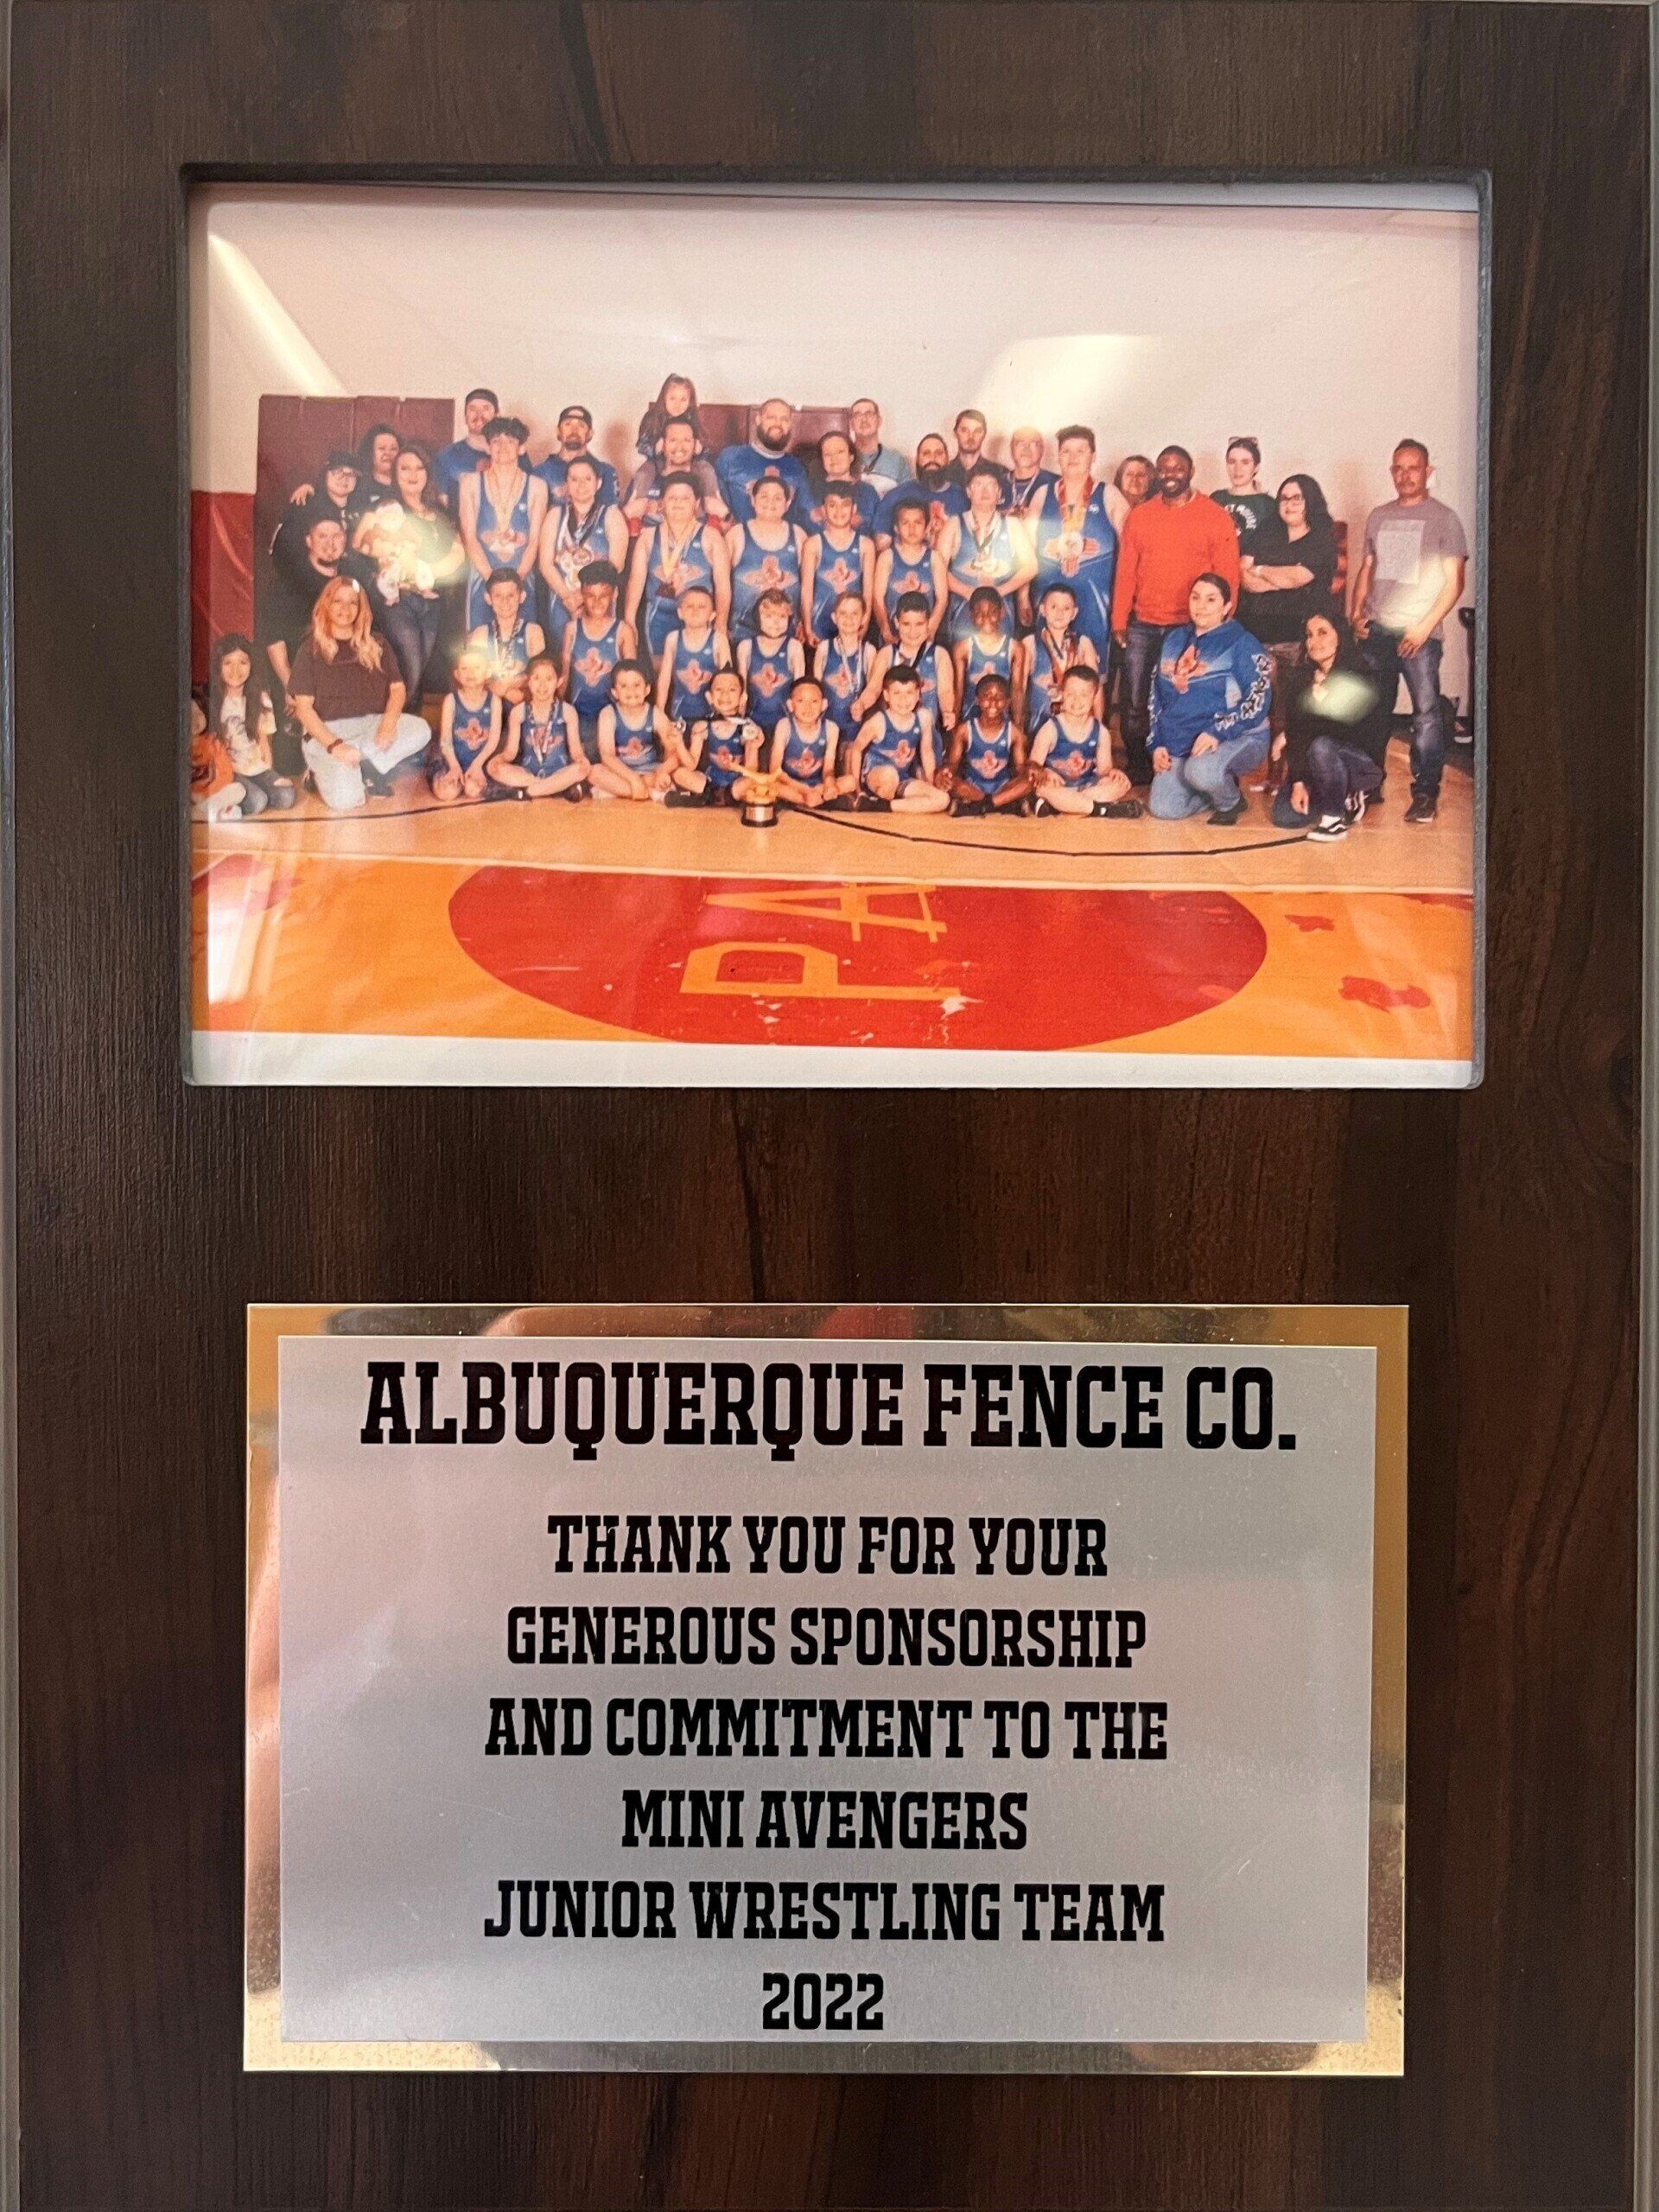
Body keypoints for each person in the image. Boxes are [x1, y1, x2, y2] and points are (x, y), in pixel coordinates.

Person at [1347, 439, 1468, 824]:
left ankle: (1426, 794)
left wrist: (1424, 627)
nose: (1405, 475)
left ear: (1428, 472)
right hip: (1378, 631)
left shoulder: (1445, 519)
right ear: (1391, 472)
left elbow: (1454, 582)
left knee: (1426, 716)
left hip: (1420, 636)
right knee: (1374, 713)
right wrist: (1356, 614)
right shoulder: (1378, 516)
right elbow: (1367, 568)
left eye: (1413, 468)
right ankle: (1370, 785)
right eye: (1398, 468)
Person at [1111, 445, 1240, 784]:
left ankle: (1180, 766)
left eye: (1178, 468)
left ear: (1191, 471)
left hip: (1190, 626)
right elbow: (1126, 571)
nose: (1170, 475)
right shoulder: (1140, 516)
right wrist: (1119, 619)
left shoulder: (1215, 516)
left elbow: (1228, 577)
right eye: (1164, 469)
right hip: (1143, 623)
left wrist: (1220, 627)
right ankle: (1139, 767)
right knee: (1136, 700)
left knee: (1183, 698)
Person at [289, 575, 432, 811]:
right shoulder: (310, 649)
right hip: (327, 733)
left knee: (420, 730)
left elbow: (397, 689)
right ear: (326, 605)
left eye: (352, 603)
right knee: (348, 802)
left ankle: (362, 764)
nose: (345, 609)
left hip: (370, 727)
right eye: (338, 601)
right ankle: (324, 771)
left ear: (360, 608)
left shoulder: (377, 644)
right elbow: (303, 710)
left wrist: (388, 724)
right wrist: (336, 747)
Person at [1147, 573, 1272, 825]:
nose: (1201, 605)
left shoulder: (1242, 642)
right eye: (1196, 597)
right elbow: (1156, 696)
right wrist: (1157, 743)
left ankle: (1230, 800)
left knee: (1200, 771)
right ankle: (1209, 790)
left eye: (1211, 599)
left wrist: (1218, 731)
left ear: (1226, 607)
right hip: (1185, 741)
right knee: (1163, 808)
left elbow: (1258, 698)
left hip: (1239, 736)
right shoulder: (1173, 640)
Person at [352, 442, 464, 698]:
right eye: (405, 468)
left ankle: (408, 721)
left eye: (419, 468)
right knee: (408, 670)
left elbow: (458, 555)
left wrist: (427, 570)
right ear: (395, 473)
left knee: (419, 674)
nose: (413, 475)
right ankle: (396, 720)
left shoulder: (439, 512)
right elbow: (360, 543)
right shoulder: (386, 508)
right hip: (398, 602)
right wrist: (393, 553)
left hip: (432, 603)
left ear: (428, 473)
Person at [1271, 611, 1390, 838]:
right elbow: (1298, 734)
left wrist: (1317, 709)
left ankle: (1334, 819)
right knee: (1286, 816)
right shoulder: (1301, 678)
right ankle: (1334, 795)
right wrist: (1298, 782)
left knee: (1322, 746)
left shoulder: (1359, 673)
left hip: (1358, 762)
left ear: (1340, 637)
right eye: (1309, 635)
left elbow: (1356, 733)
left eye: (1323, 633)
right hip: (1318, 760)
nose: (1314, 641)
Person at [1237, 473, 1338, 734]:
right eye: (1284, 498)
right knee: (1252, 707)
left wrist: (1261, 570)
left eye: (1297, 498)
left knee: (1287, 713)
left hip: (1297, 639)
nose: (1289, 504)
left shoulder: (1321, 539)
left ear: (1310, 502)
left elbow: (1298, 577)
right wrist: (1280, 578)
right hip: (1255, 635)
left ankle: (1282, 758)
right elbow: (1243, 575)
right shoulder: (1266, 531)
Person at [1027, 426, 1119, 655]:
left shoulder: (1109, 494)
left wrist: (1122, 606)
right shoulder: (1042, 494)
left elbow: (1131, 549)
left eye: (1081, 451)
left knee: (1091, 668)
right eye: (1066, 451)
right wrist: (1021, 598)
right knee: (1047, 666)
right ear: (1058, 457)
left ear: (1093, 456)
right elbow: (1025, 551)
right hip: (1047, 600)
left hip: (1095, 601)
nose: (1073, 457)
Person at [626, 472, 732, 662]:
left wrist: (721, 623)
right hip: (658, 617)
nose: (678, 503)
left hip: (699, 619)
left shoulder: (711, 537)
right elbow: (635, 581)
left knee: (695, 669)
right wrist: (629, 619)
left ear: (696, 504)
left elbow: (723, 586)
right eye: (672, 498)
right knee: (660, 672)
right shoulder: (648, 537)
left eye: (685, 498)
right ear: (662, 503)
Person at [458, 416, 546, 630]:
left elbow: (534, 541)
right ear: (488, 447)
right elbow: (469, 538)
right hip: (483, 575)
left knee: (524, 640)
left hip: (521, 577)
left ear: (521, 448)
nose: (503, 446)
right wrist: (493, 584)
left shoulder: (537, 486)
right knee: (480, 641)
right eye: (496, 441)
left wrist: (515, 585)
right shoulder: (471, 483)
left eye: (510, 441)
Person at [538, 453, 630, 652]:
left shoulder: (611, 515)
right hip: (562, 599)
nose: (581, 485)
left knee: (598, 655)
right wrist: (568, 597)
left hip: (599, 600)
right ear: (566, 485)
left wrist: (584, 598)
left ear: (598, 483)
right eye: (574, 479)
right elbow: (545, 564)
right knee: (562, 654)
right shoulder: (555, 515)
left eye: (587, 479)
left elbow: (616, 564)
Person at [261, 512, 354, 698]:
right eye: (322, 536)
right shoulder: (288, 582)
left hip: (341, 683)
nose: (330, 544)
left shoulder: (354, 576)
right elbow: (274, 640)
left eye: (336, 536)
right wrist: (292, 689)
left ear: (345, 539)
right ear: (309, 541)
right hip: (298, 684)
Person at [939, 462, 1035, 640]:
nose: (985, 490)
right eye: (978, 484)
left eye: (991, 485)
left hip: (1000, 607)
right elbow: (938, 569)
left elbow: (1031, 566)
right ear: (969, 491)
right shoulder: (953, 524)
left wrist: (1000, 591)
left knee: (1000, 652)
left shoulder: (1012, 525)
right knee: (964, 653)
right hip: (964, 606)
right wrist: (968, 592)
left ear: (999, 493)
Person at [1028, 664, 1136, 817]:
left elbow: (1104, 769)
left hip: (1086, 786)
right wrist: (1045, 772)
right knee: (1042, 787)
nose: (1076, 700)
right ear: (1062, 693)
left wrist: (1113, 773)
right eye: (1071, 694)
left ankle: (1067, 806)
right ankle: (1101, 810)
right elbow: (1033, 766)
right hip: (1057, 786)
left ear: (1094, 697)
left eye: (1084, 695)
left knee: (1120, 785)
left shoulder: (1101, 732)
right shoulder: (1050, 728)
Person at [210, 633, 295, 817]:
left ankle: (247, 794)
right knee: (257, 801)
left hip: (255, 767)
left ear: (251, 665)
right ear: (218, 666)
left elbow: (265, 743)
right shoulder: (214, 701)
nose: (236, 670)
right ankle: (230, 799)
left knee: (286, 796)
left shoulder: (260, 698)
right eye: (228, 663)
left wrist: (271, 775)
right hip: (229, 771)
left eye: (243, 662)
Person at [488, 652, 589, 803]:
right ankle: (555, 789)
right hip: (528, 774)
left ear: (559, 682)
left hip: (559, 773)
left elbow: (576, 751)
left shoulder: (568, 711)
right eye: (536, 678)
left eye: (549, 679)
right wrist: (499, 759)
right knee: (493, 767)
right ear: (528, 681)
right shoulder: (518, 712)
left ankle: (530, 791)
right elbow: (510, 752)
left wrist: (582, 760)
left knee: (582, 769)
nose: (542, 685)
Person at [847, 666, 950, 812]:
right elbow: (856, 749)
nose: (903, 699)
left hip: (902, 777)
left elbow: (927, 753)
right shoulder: (878, 721)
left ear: (918, 694)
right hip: (876, 775)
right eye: (897, 693)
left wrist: (931, 783)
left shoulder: (924, 717)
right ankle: (872, 799)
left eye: (909, 692)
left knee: (942, 799)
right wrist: (857, 789)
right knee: (890, 776)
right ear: (886, 695)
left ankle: (883, 806)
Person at [560, 560, 637, 751]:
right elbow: (564, 678)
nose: (596, 602)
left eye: (603, 596)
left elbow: (632, 680)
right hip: (578, 716)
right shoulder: (572, 630)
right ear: (582, 595)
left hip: (612, 719)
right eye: (590, 596)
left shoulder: (623, 631)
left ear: (615, 594)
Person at [857, 593, 956, 732]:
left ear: (928, 623)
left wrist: (947, 711)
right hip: (892, 734)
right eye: (906, 624)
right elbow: (873, 689)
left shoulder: (939, 654)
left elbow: (945, 691)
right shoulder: (886, 653)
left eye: (919, 624)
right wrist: (861, 704)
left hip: (926, 733)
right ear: (897, 623)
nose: (912, 631)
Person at [671, 666, 765, 808]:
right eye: (719, 689)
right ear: (710, 697)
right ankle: (716, 796)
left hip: (736, 784)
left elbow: (751, 770)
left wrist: (754, 747)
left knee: (753, 781)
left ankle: (712, 798)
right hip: (709, 782)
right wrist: (679, 743)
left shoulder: (748, 728)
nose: (725, 695)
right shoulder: (702, 726)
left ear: (742, 698)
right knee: (679, 773)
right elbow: (691, 765)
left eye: (732, 690)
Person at [590, 658, 683, 800]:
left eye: (637, 685)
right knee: (594, 772)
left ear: (647, 689)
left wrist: (662, 771)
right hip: (620, 773)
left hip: (650, 771)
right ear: (614, 692)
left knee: (669, 777)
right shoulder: (608, 714)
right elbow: (607, 756)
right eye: (624, 686)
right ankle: (648, 792)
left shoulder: (655, 714)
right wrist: (633, 778)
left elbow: (674, 752)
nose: (631, 691)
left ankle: (619, 792)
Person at [727, 475, 804, 636]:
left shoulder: (798, 535)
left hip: (786, 633)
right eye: (764, 497)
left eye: (777, 498)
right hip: (742, 631)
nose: (770, 502)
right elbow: (720, 583)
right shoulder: (736, 534)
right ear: (753, 500)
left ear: (788, 504)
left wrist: (804, 622)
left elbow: (809, 586)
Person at [1021, 579, 1100, 735]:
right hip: (1039, 723)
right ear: (1042, 609)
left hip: (1076, 724)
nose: (1060, 613)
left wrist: (1098, 727)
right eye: (1054, 607)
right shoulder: (1030, 643)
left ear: (1074, 613)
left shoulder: (1083, 644)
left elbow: (1097, 689)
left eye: (1066, 608)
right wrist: (1019, 726)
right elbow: (1020, 688)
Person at [945, 673, 1030, 815]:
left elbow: (1020, 767)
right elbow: (953, 765)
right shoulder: (965, 730)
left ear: (1007, 702)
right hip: (973, 787)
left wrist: (1030, 770)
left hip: (1002, 787)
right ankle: (999, 805)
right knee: (951, 783)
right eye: (987, 696)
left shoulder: (1013, 732)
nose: (993, 702)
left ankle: (978, 806)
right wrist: (946, 773)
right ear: (977, 700)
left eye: (999, 697)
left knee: (1028, 782)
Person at [715, 397, 810, 524]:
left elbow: (809, 515)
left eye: (784, 419)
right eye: (771, 418)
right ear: (758, 420)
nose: (778, 424)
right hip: (738, 534)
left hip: (785, 535)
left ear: (790, 425)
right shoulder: (730, 457)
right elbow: (714, 503)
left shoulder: (797, 467)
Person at [622, 418, 728, 530]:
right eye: (673, 440)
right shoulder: (645, 479)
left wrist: (725, 515)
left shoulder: (710, 481)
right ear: (662, 444)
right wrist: (626, 514)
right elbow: (619, 527)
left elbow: (730, 527)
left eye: (686, 440)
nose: (679, 447)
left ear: (696, 445)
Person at [801, 481, 874, 642]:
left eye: (845, 505)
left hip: (853, 623)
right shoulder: (813, 544)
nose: (839, 511)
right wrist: (808, 627)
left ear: (854, 509)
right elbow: (807, 590)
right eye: (832, 505)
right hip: (820, 622)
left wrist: (865, 624)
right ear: (823, 510)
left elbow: (868, 592)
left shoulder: (866, 545)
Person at [654, 582, 732, 724]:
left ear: (712, 615)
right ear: (680, 613)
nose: (695, 611)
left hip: (712, 717)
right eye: (689, 606)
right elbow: (664, 679)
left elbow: (728, 680)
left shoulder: (719, 640)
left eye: (702, 607)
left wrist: (725, 718)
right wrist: (659, 712)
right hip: (679, 715)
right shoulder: (673, 638)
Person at [432, 647, 502, 804]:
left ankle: (473, 776)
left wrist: (477, 765)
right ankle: (454, 774)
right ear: (457, 674)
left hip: (480, 761)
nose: (471, 673)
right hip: (453, 759)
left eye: (477, 667)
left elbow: (493, 740)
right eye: (465, 668)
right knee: (446, 793)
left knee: (473, 790)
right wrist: (454, 766)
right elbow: (445, 741)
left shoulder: (494, 701)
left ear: (488, 672)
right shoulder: (451, 700)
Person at [467, 568, 545, 708]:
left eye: (511, 595)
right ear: (488, 598)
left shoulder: (533, 631)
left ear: (521, 597)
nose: (505, 602)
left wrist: (505, 686)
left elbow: (539, 675)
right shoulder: (480, 633)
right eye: (498, 596)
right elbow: (473, 676)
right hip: (489, 708)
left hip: (523, 705)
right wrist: (504, 690)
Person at [873, 497, 947, 640]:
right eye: (905, 523)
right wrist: (885, 628)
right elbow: (878, 598)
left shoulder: (934, 558)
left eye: (917, 523)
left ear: (927, 527)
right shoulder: (887, 557)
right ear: (896, 528)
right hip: (894, 635)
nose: (912, 529)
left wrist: (930, 630)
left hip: (924, 634)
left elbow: (942, 599)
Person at [766, 676, 846, 809]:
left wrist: (830, 784)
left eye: (814, 701)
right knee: (772, 785)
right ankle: (807, 799)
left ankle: (812, 798)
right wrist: (804, 790)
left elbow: (828, 769)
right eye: (800, 701)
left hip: (817, 785)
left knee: (850, 782)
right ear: (790, 705)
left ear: (824, 704)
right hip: (790, 784)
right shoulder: (784, 725)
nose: (808, 707)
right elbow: (775, 770)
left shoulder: (831, 728)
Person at [735, 589, 805, 739]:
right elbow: (742, 693)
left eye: (782, 616)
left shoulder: (794, 647)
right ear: (757, 617)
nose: (776, 622)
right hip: (752, 720)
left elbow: (800, 690)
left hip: (785, 722)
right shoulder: (746, 647)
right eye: (769, 616)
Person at [874, 435, 966, 547]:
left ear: (947, 459)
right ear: (917, 459)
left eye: (939, 453)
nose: (933, 459)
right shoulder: (897, 496)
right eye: (926, 454)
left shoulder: (962, 497)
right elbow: (881, 542)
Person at [815, 590, 876, 740]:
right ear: (834, 618)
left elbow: (873, 690)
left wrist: (863, 706)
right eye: (843, 613)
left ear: (863, 618)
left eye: (854, 613)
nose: (849, 618)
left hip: (856, 725)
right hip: (826, 724)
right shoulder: (824, 648)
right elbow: (816, 688)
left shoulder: (869, 651)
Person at [536, 405, 620, 510]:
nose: (574, 429)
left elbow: (610, 515)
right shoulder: (540, 473)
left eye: (581, 425)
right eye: (568, 424)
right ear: (558, 431)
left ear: (590, 434)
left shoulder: (605, 472)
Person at [953, 586, 1017, 718]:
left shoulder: (1015, 648)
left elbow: (1018, 691)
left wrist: (1018, 725)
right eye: (979, 614)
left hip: (1001, 720)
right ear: (971, 615)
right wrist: (956, 724)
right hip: (970, 717)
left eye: (992, 613)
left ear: (1002, 612)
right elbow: (958, 691)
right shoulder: (963, 648)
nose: (986, 618)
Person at [803, 432, 879, 534]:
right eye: (828, 454)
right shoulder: (809, 492)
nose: (834, 458)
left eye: (840, 452)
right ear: (822, 460)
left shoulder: (868, 492)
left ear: (851, 457)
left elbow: (877, 529)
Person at [435, 389, 498, 507]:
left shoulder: (513, 455)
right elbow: (441, 505)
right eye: (473, 409)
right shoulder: (447, 456)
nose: (479, 415)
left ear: (496, 416)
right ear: (465, 417)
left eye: (486, 409)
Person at [1212, 436, 1276, 550]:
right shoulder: (1216, 499)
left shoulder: (1268, 504)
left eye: (1245, 462)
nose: (1238, 469)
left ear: (1256, 467)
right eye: (1232, 462)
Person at [190, 701, 245, 822]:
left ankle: (205, 811)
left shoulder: (213, 742)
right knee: (235, 812)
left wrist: (210, 793)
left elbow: (226, 771)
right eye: (190, 716)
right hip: (194, 796)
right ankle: (217, 812)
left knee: (239, 789)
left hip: (214, 793)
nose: (196, 720)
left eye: (199, 714)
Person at [635, 375, 704, 461]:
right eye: (672, 398)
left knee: (705, 468)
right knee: (645, 470)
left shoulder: (692, 418)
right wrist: (655, 449)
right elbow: (641, 447)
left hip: (687, 463)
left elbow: (704, 447)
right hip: (657, 462)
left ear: (690, 402)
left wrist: (700, 451)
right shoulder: (652, 418)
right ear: (664, 398)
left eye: (683, 400)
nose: (677, 404)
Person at [946, 409, 1009, 502]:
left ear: (984, 434)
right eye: (964, 430)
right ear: (955, 433)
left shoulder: (1000, 473)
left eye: (977, 431)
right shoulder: (944, 473)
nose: (971, 437)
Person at [848, 397, 906, 496]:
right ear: (851, 424)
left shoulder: (896, 460)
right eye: (857, 415)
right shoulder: (841, 458)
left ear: (879, 421)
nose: (864, 420)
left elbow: (909, 496)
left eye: (869, 414)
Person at [1006, 428, 1057, 519]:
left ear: (1042, 449)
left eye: (1033, 444)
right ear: (1011, 448)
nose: (1026, 448)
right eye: (1020, 443)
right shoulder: (996, 483)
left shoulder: (1056, 483)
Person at [356, 423, 401, 503]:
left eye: (393, 449)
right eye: (382, 448)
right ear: (370, 453)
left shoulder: (407, 485)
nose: (388, 453)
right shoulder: (359, 488)